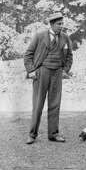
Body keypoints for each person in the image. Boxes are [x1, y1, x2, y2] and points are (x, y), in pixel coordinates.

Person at [24, 12, 73, 144]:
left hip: (57, 73)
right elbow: (28, 55)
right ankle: (32, 135)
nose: (61, 26)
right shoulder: (40, 36)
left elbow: (69, 56)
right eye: (59, 24)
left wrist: (65, 70)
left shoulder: (65, 38)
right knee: (38, 104)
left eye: (62, 23)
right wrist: (31, 70)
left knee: (55, 104)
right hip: (42, 72)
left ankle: (53, 134)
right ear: (51, 24)